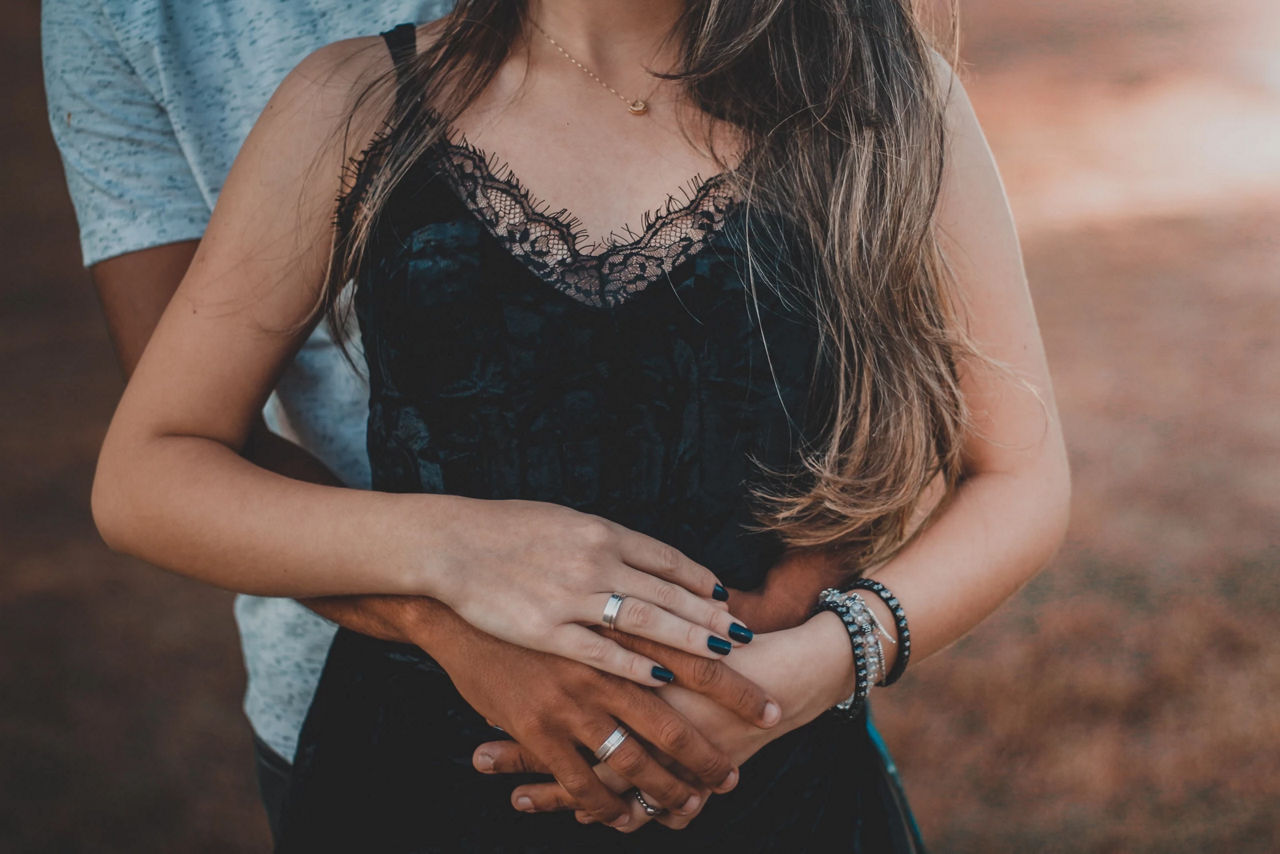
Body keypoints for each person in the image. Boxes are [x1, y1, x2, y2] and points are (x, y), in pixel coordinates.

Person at [88, 0, 1071, 851]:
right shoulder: (347, 103)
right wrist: (450, 549)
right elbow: (148, 470)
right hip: (421, 781)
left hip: (768, 776)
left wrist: (809, 671)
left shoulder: (886, 101)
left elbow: (1019, 476)